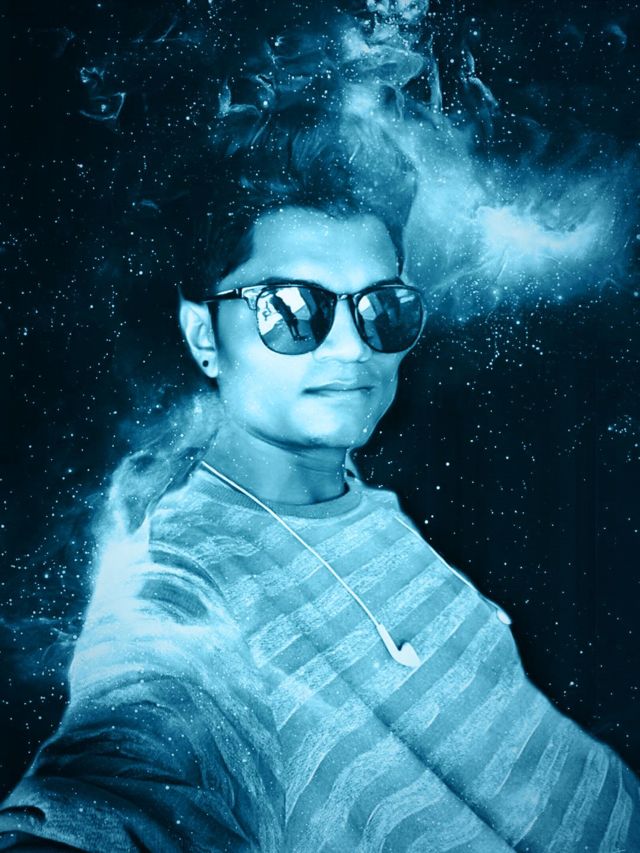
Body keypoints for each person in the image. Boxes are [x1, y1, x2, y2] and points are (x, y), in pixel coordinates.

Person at [1, 26, 639, 853]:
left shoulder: (370, 506)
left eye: (383, 308)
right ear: (204, 335)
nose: (351, 348)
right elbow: (121, 763)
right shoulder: (182, 579)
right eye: (292, 309)